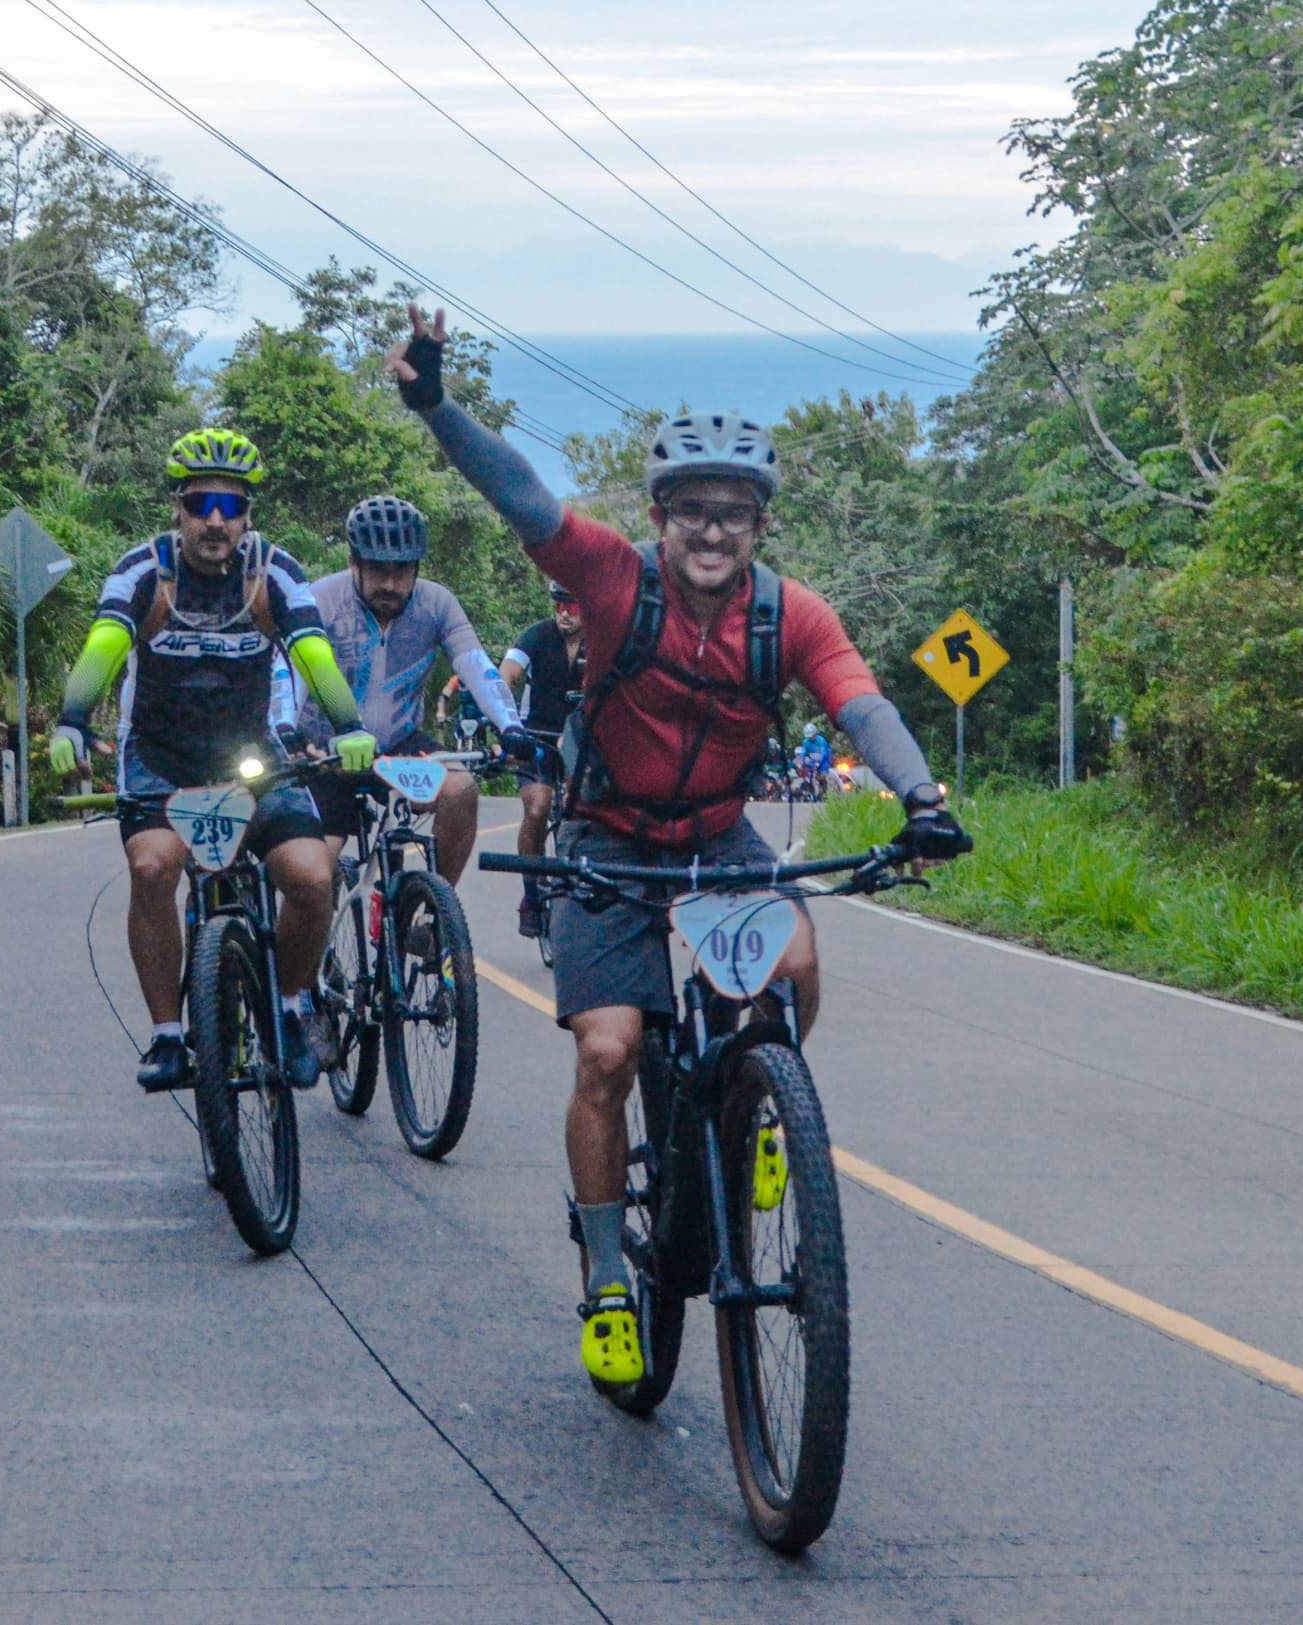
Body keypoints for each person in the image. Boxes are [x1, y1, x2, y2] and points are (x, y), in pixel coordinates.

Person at [385, 305, 966, 1388]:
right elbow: (519, 493)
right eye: (692, 512)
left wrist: (921, 795)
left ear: (759, 525)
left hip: (711, 838)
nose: (712, 532)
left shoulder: (789, 614)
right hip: (604, 841)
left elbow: (860, 702)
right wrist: (433, 404)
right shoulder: (610, 579)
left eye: (734, 515)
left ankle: (754, 1107)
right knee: (607, 1049)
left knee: (790, 964)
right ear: (658, 517)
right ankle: (610, 1279)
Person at [46, 428, 378, 1094]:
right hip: (161, 761)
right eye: (201, 504)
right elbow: (106, 645)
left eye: (231, 505)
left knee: (313, 879)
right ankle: (168, 1034)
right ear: (178, 507)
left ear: (249, 512)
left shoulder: (274, 572)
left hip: (250, 758)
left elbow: (312, 652)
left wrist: (348, 725)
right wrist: (72, 720)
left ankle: (290, 1001)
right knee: (153, 865)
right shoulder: (143, 572)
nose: (216, 520)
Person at [292, 494, 525, 886]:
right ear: (354, 563)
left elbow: (476, 666)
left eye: (401, 572)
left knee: (460, 788)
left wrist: (512, 727)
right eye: (378, 570)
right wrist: (291, 740)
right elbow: (295, 674)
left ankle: (436, 913)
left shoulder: (436, 604)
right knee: (317, 877)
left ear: (417, 567)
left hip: (399, 744)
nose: (390, 584)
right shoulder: (322, 600)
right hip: (327, 751)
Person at [498, 582, 585, 938]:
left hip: (582, 739)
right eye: (559, 605)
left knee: (587, 812)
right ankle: (532, 895)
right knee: (537, 807)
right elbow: (506, 672)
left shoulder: (603, 640)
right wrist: (503, 716)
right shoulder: (536, 636)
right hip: (536, 737)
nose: (564, 612)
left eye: (573, 606)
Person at [797, 721, 835, 798]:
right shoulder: (806, 742)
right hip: (813, 757)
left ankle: (825, 790)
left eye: (812, 736)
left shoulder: (821, 740)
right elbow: (803, 752)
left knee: (822, 776)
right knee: (810, 771)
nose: (810, 737)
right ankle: (812, 788)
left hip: (824, 759)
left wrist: (819, 763)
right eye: (809, 736)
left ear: (815, 733)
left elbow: (824, 753)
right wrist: (801, 762)